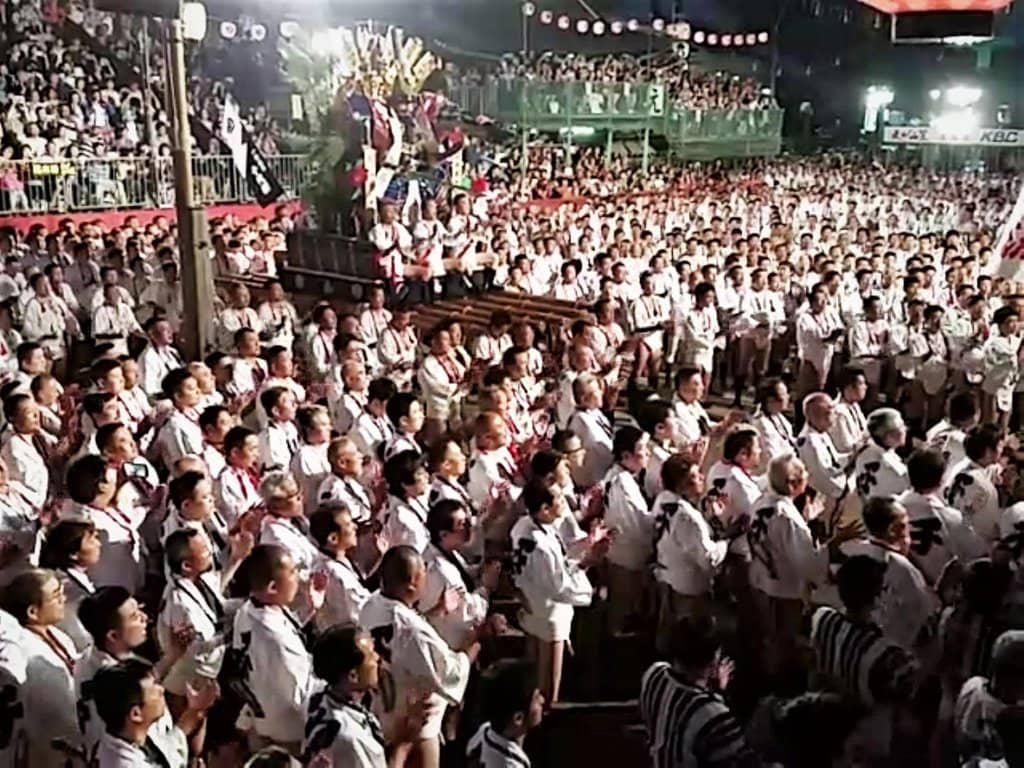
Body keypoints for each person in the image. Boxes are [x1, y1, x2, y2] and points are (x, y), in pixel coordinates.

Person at [359, 546, 477, 768]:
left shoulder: (372, 604)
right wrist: (472, 648)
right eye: (424, 573)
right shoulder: (410, 628)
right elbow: (449, 673)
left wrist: (438, 611)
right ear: (412, 582)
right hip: (415, 720)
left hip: (381, 710)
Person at [510, 480, 603, 705]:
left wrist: (589, 543)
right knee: (547, 683)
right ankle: (543, 719)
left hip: (532, 602)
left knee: (532, 665)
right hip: (549, 612)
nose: (564, 503)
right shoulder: (540, 546)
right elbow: (559, 587)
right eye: (559, 500)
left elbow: (559, 560)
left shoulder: (523, 525)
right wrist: (587, 562)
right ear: (544, 509)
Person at [228, 544, 325, 754]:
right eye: (292, 572)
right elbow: (300, 694)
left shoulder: (248, 610)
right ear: (272, 587)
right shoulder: (275, 639)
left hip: (261, 715)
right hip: (287, 730)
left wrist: (310, 608)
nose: (298, 577)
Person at [639, 615, 757, 768]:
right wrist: (718, 698)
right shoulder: (714, 716)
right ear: (715, 657)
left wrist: (714, 693)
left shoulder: (654, 674)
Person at [1, 568, 82, 768]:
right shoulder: (25, 653)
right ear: (33, 612)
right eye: (56, 596)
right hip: (48, 744)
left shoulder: (58, 634)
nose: (63, 599)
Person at [602, 425, 653, 635]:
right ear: (626, 455)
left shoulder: (620, 476)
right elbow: (638, 525)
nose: (648, 453)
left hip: (621, 552)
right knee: (623, 607)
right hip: (627, 555)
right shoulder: (623, 484)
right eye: (643, 449)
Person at [466, 659, 544, 768]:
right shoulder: (510, 764)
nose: (542, 700)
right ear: (518, 718)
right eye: (536, 697)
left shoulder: (484, 731)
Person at [853, 408, 910, 503]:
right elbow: (908, 486)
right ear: (889, 435)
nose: (905, 429)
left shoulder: (865, 452)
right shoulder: (886, 464)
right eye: (901, 426)